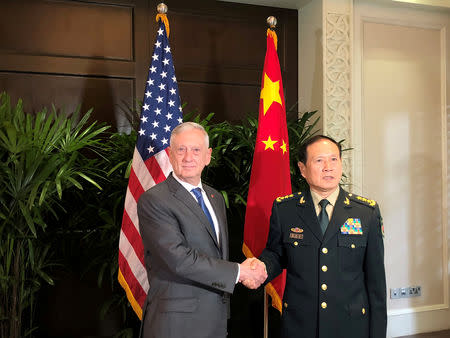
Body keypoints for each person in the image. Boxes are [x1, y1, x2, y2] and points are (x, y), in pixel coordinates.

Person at [137, 122, 267, 338]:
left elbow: (214, 254)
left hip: (214, 319)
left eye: (196, 150)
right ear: (170, 154)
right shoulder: (154, 200)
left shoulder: (214, 198)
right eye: (181, 149)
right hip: (175, 324)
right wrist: (240, 272)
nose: (189, 157)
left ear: (208, 156)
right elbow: (178, 259)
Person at [255, 135, 387, 338]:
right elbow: (276, 254)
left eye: (334, 159)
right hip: (300, 325)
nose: (328, 167)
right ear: (302, 169)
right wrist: (262, 268)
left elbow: (376, 284)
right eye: (319, 160)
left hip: (350, 326)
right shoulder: (286, 210)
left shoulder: (366, 212)